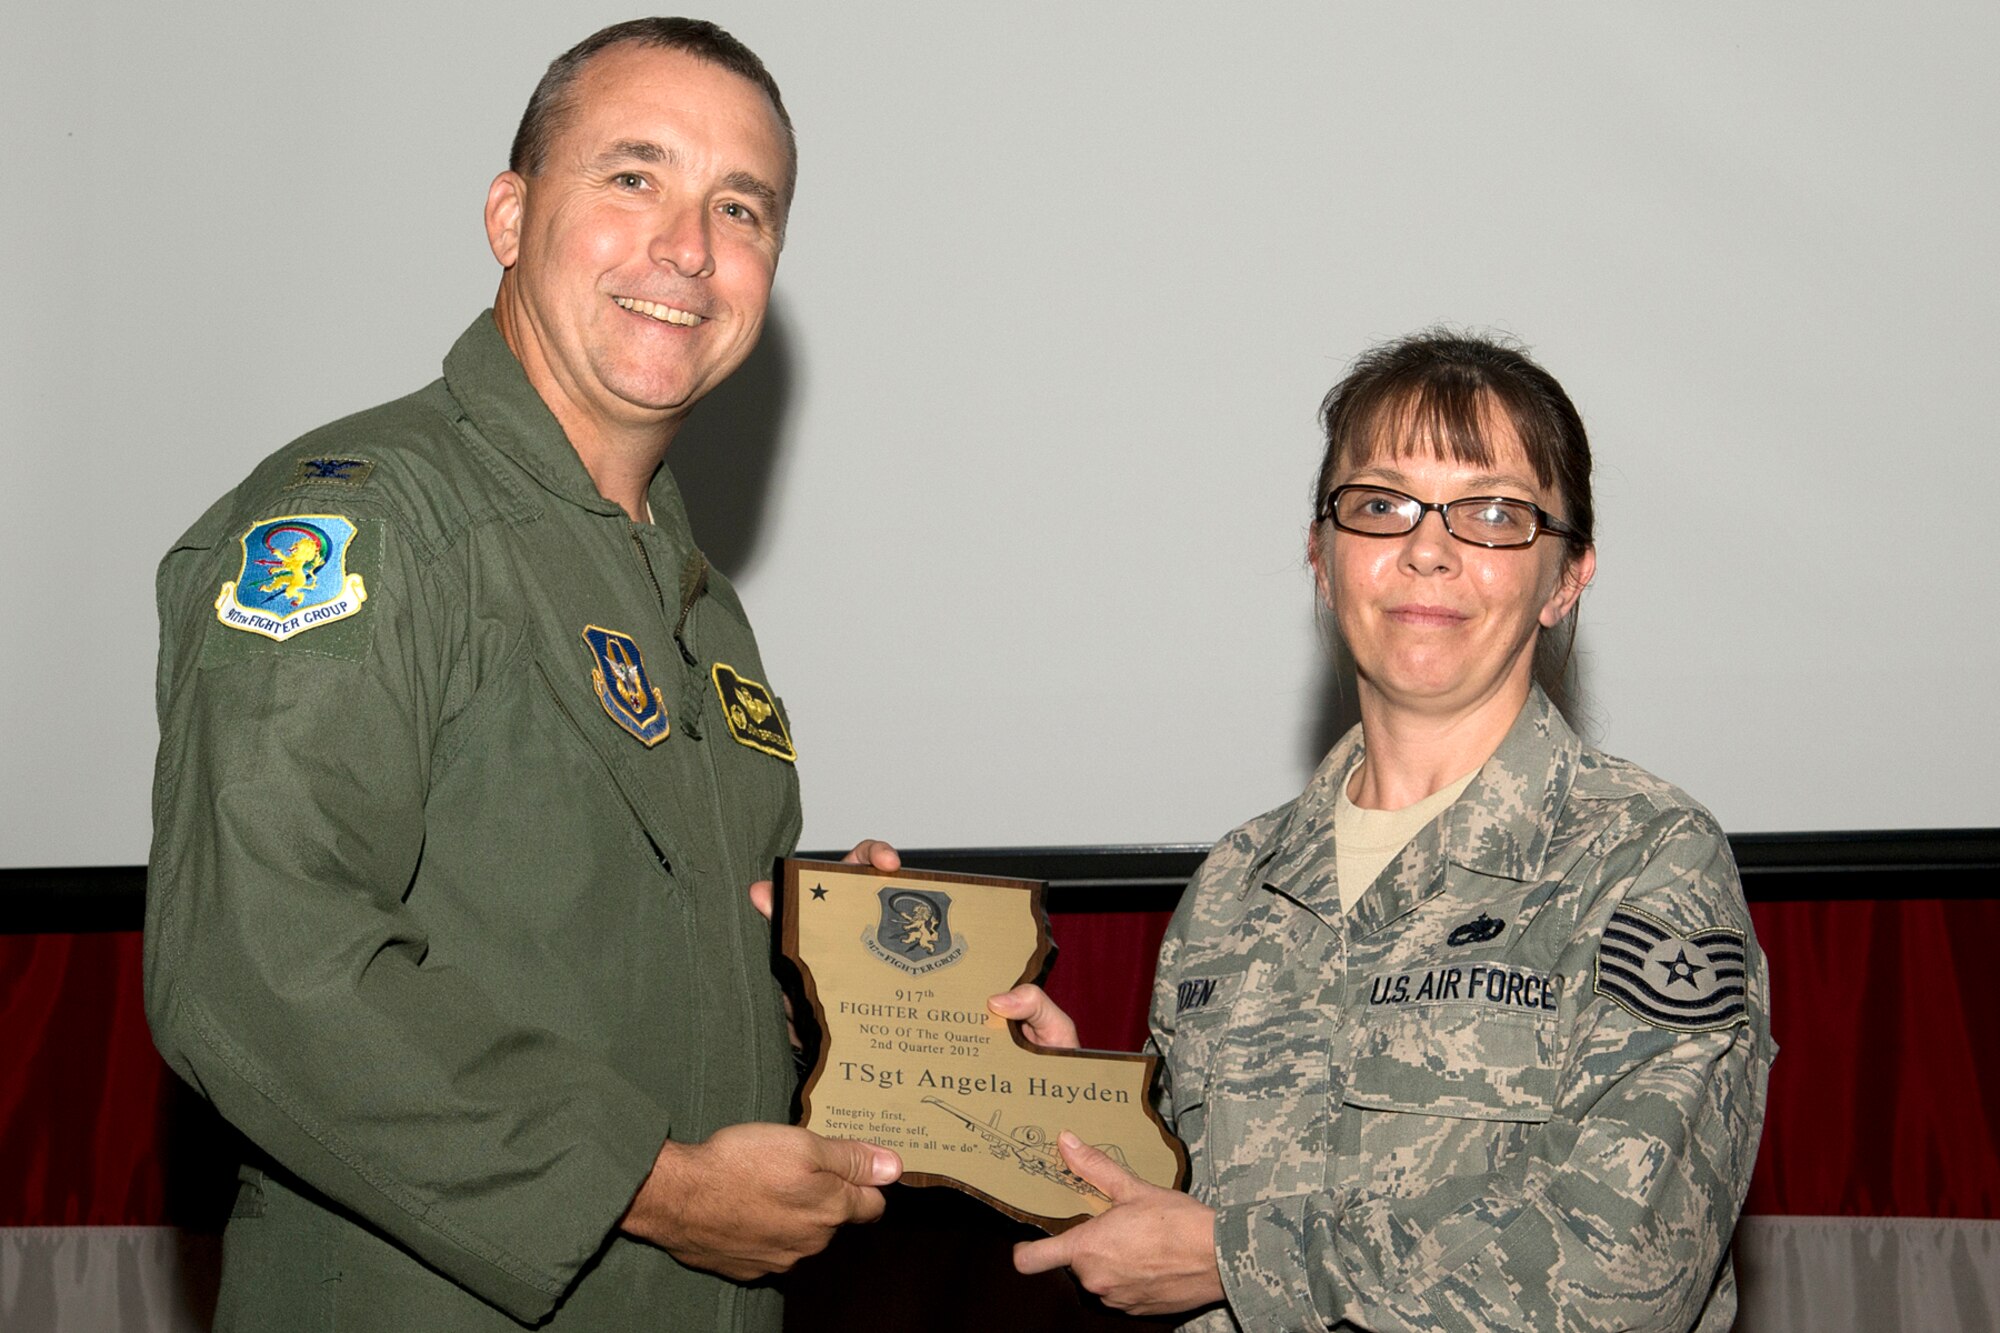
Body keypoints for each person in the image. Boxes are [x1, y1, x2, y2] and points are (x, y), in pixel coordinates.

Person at [144, 19, 902, 1331]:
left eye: (742, 207)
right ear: (509, 214)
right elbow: (261, 966)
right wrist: (647, 1187)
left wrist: (852, 990)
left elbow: (615, 971)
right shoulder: (368, 526)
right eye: (632, 177)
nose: (688, 246)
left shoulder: (700, 605)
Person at [991, 332, 1774, 1331]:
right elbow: (1169, 1230)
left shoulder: (1641, 860)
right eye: (1379, 505)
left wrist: (1239, 1263)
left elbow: (1626, 1267)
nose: (1427, 548)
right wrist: (1068, 1120)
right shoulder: (1236, 883)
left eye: (1493, 512)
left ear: (1566, 576)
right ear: (1321, 557)